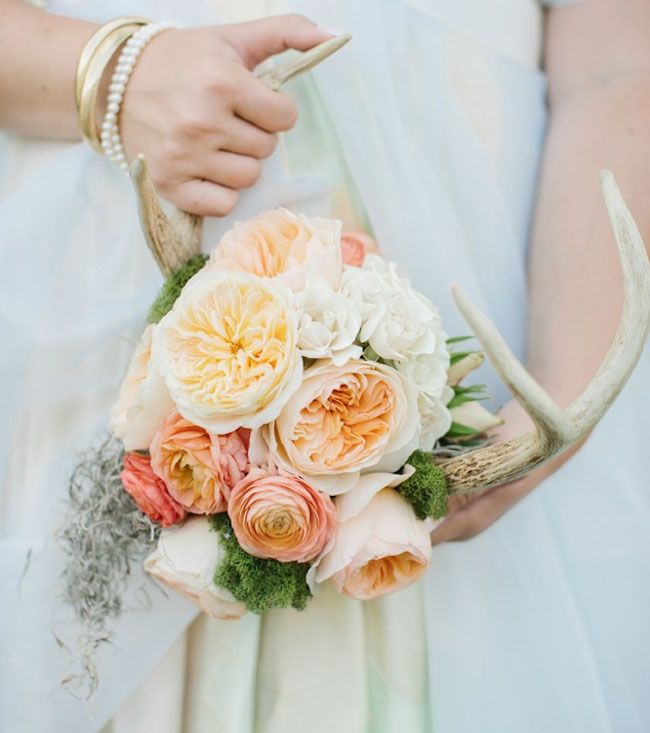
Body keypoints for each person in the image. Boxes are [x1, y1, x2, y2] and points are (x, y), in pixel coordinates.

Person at [0, 1, 648, 732]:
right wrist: (108, 75)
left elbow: (617, 63)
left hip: (486, 323)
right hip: (91, 295)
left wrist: (560, 386)